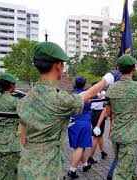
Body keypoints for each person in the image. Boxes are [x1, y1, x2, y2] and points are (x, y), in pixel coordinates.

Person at [16, 41, 115, 179]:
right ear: (58, 65)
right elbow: (84, 96)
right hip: (47, 171)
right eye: (63, 64)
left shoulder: (24, 100)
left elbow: (23, 139)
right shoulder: (59, 99)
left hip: (25, 167)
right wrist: (105, 81)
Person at [67, 76, 93, 178]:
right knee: (80, 146)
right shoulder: (87, 94)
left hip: (72, 122)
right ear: (85, 84)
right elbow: (101, 97)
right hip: (83, 121)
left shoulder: (71, 95)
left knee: (78, 145)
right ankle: (72, 170)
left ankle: (85, 165)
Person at [87, 82, 107, 165]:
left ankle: (102, 152)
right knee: (96, 135)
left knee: (100, 134)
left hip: (93, 114)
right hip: (100, 114)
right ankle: (90, 157)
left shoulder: (90, 93)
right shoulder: (103, 93)